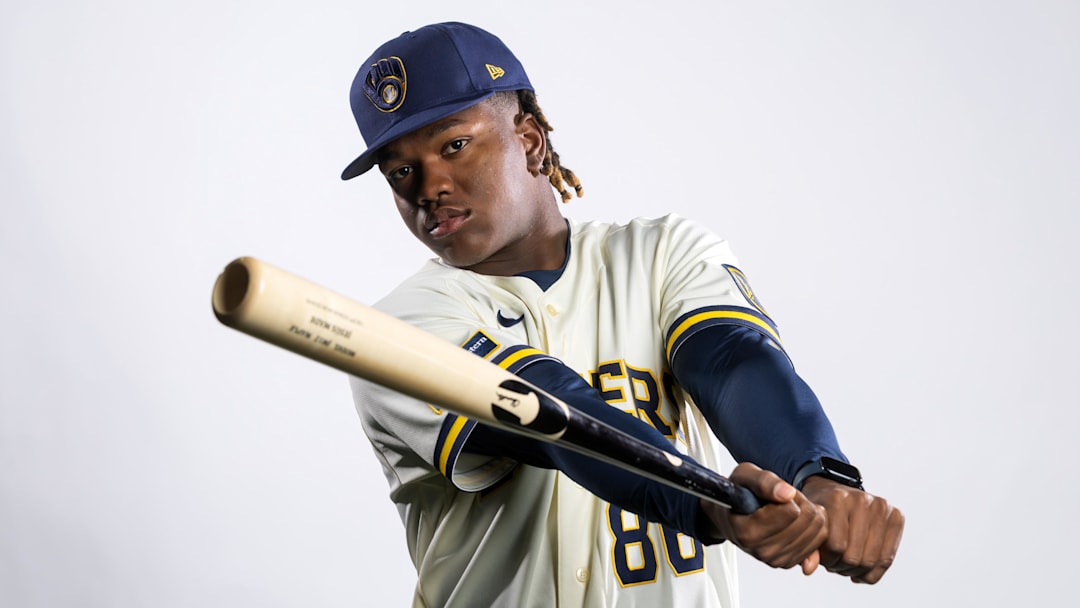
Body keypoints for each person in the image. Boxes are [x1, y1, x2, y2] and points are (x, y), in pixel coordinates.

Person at [341, 22, 903, 608]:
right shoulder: (395, 332)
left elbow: (734, 363)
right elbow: (550, 415)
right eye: (401, 171)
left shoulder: (663, 254)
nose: (428, 186)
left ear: (530, 140)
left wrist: (817, 478)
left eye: (453, 145)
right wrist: (705, 500)